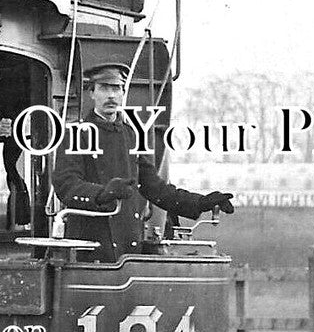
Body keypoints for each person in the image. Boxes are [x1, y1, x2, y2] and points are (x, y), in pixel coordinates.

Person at [52, 62, 235, 262]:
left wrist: (200, 202)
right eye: (104, 88)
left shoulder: (131, 135)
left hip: (129, 251)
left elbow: (154, 188)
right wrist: (102, 194)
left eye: (116, 89)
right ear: (92, 93)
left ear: (123, 93)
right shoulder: (77, 134)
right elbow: (66, 185)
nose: (111, 96)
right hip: (89, 248)